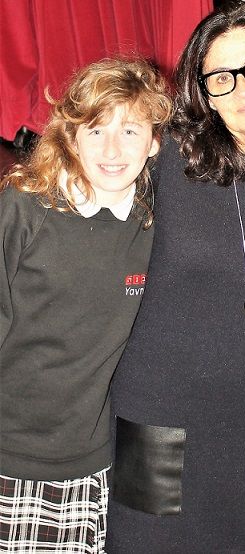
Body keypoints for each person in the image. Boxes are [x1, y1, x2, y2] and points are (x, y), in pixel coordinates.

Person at [106, 2, 245, 553]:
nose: (243, 88)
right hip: (160, 414)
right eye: (220, 77)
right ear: (202, 89)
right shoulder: (165, 160)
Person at [0, 58, 171, 553]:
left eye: (131, 130)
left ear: (154, 143)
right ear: (71, 138)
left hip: (90, 465)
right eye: (96, 131)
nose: (113, 150)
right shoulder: (25, 208)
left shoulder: (155, 225)